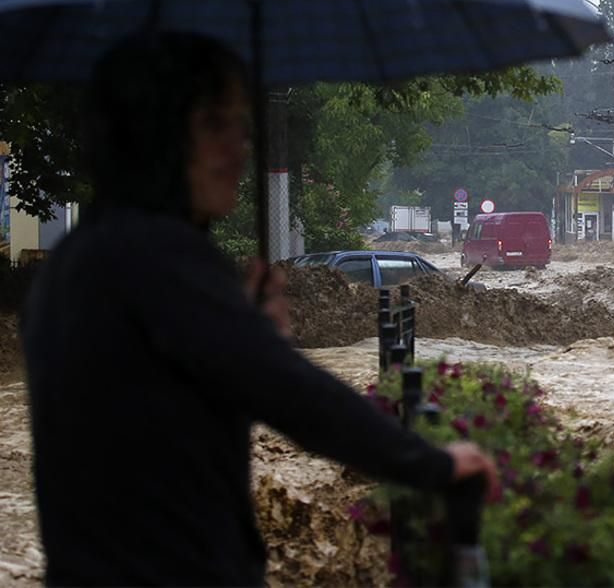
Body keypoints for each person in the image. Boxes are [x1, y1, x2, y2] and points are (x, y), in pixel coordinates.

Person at [20, 32, 498, 586]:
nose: (239, 148)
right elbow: (294, 397)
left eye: (240, 126)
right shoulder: (159, 259)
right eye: (214, 125)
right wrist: (433, 464)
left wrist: (242, 330)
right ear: (155, 136)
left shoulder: (76, 263)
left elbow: (157, 419)